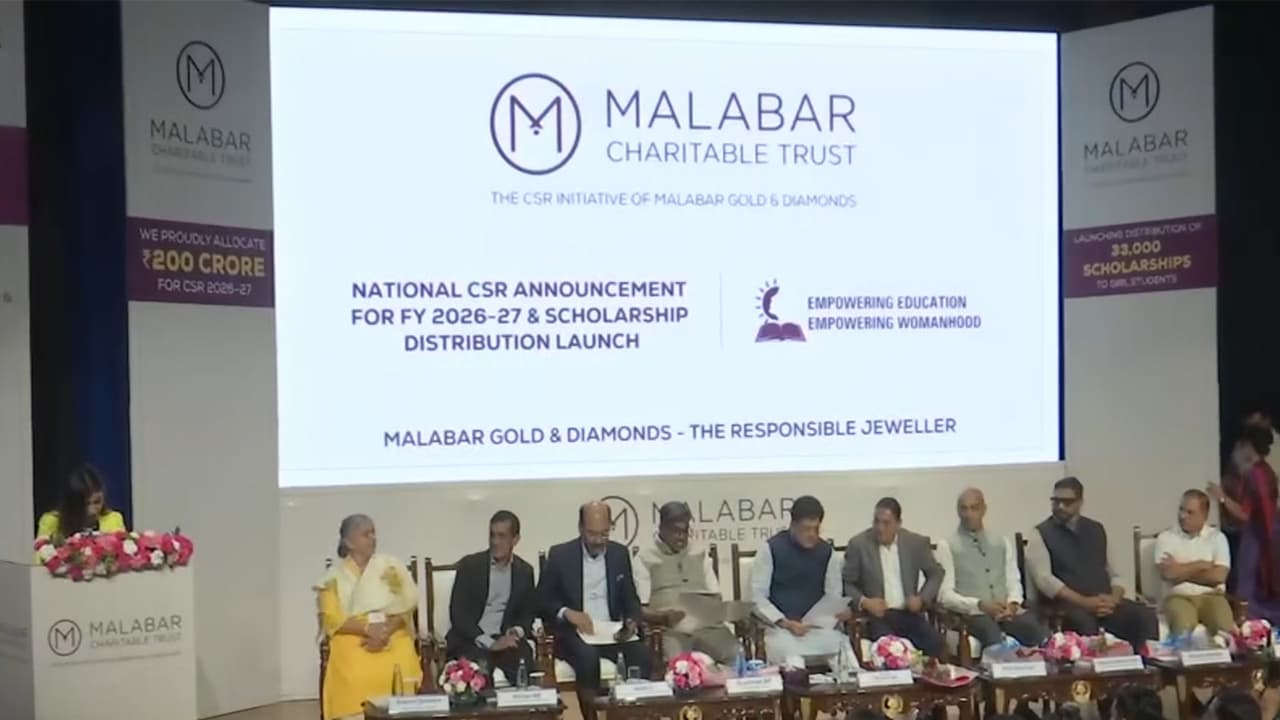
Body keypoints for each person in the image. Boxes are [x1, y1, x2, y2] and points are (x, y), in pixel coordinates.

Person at [537, 501, 650, 720]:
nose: (598, 540)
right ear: (580, 528)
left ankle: (626, 715)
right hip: (574, 634)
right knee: (587, 658)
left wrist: (631, 621)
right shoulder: (560, 555)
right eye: (592, 534)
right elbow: (542, 601)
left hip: (611, 632)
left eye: (604, 533)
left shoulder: (619, 554)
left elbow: (631, 600)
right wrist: (567, 612)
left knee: (641, 655)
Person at [1026, 477, 1158, 649]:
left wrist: (1113, 600)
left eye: (1067, 502)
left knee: (1143, 616)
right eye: (1056, 501)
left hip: (1105, 603)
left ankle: (1149, 663)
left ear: (1080, 502)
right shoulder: (1040, 533)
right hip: (1068, 606)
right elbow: (1045, 581)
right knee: (1082, 622)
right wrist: (1085, 602)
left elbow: (1116, 575)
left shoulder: (1097, 529)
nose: (1060, 506)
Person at [315, 514, 421, 720]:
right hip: (355, 636)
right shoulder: (334, 577)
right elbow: (332, 618)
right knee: (354, 670)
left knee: (401, 663)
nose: (373, 538)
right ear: (349, 542)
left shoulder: (391, 567)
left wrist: (385, 631)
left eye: (373, 533)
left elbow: (406, 605)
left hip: (391, 633)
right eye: (366, 534)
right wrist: (368, 630)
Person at [750, 495, 856, 668]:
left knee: (843, 650)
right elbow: (758, 598)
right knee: (792, 659)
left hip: (817, 630)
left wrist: (838, 612)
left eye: (816, 529)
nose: (812, 534)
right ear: (793, 525)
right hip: (781, 630)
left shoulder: (827, 552)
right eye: (806, 529)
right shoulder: (770, 549)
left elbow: (833, 594)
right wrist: (784, 622)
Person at [633, 501, 741, 665]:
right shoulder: (645, 558)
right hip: (669, 630)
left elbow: (715, 596)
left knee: (736, 654)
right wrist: (663, 617)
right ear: (662, 528)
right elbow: (640, 609)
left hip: (706, 627)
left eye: (685, 531)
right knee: (680, 666)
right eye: (676, 531)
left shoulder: (699, 553)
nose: (682, 537)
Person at [938, 488, 1048, 649]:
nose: (968, 514)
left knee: (1035, 629)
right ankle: (997, 662)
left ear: (984, 510)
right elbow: (945, 596)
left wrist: (1013, 605)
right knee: (990, 633)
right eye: (964, 508)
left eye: (974, 508)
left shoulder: (1001, 542)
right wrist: (980, 605)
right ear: (958, 511)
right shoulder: (947, 546)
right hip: (973, 614)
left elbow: (1013, 581)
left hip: (1006, 611)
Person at [843, 497, 946, 658]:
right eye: (876, 522)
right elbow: (847, 583)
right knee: (892, 651)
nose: (880, 528)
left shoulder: (915, 543)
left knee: (936, 644)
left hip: (909, 614)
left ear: (898, 524)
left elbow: (936, 573)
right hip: (878, 617)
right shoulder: (859, 544)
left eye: (886, 523)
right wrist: (865, 602)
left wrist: (921, 599)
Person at [446, 510, 536, 686]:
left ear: (515, 539)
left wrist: (515, 632)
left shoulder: (524, 571)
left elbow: (527, 614)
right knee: (481, 674)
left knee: (524, 667)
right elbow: (459, 615)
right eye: (492, 535)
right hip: (472, 640)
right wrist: (490, 643)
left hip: (504, 639)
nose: (495, 542)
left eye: (502, 536)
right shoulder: (470, 566)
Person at [1210, 425, 1280, 624]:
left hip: (1257, 536)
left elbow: (1245, 514)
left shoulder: (1255, 475)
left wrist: (1222, 497)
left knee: (1248, 590)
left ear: (1248, 446)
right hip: (1269, 533)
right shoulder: (1267, 472)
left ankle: (1252, 632)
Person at [1153, 489, 1234, 635]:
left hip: (1212, 596)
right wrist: (1201, 565)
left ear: (1204, 515)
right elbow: (1168, 574)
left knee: (1224, 626)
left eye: (1190, 512)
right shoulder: (1166, 537)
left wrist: (1180, 570)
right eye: (1181, 510)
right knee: (1184, 627)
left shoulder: (1217, 538)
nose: (1183, 516)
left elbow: (1218, 577)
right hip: (1178, 597)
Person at [36, 464, 126, 540]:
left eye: (97, 502)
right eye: (85, 504)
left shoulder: (114, 519)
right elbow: (41, 553)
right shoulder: (51, 521)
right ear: (72, 503)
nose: (92, 510)